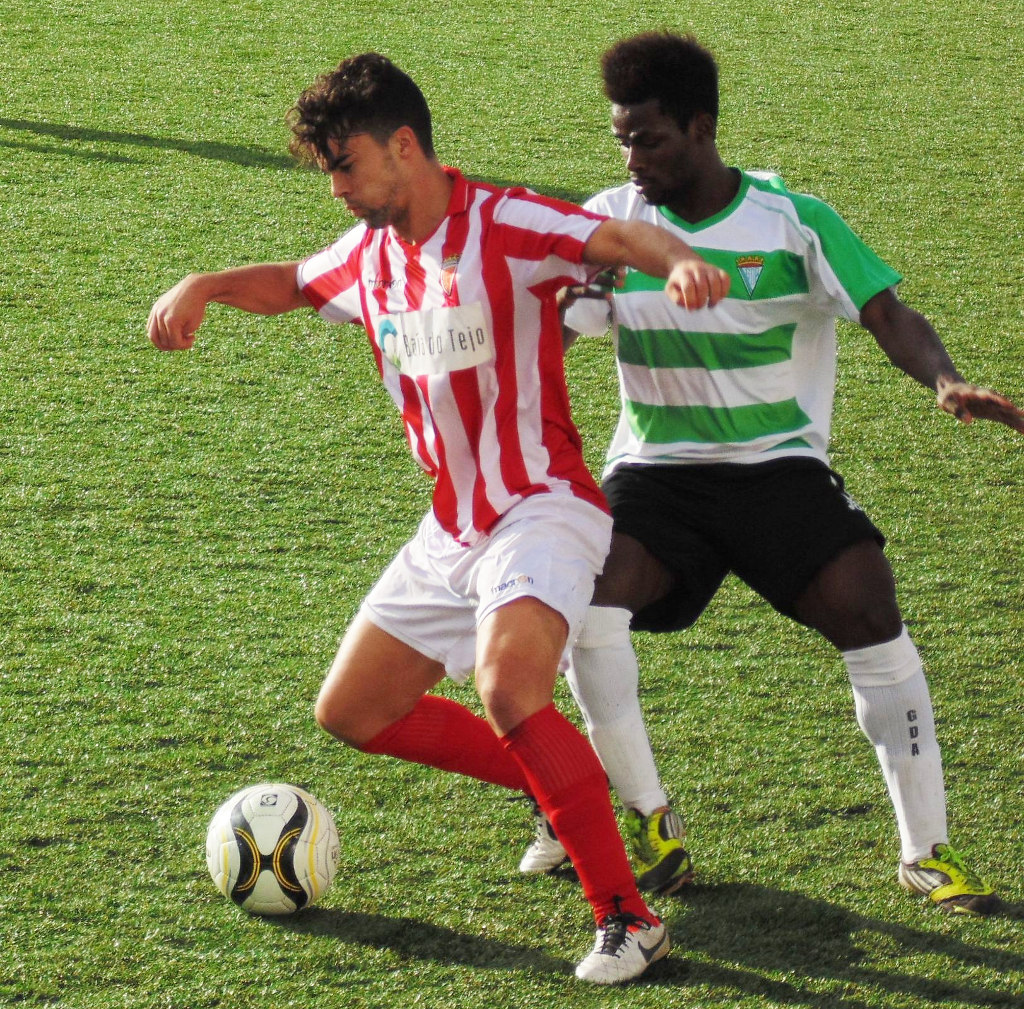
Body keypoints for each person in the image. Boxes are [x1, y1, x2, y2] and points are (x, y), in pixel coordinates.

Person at [148, 53, 731, 983]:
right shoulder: (369, 253)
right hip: (452, 527)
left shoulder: (506, 222)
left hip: (543, 508)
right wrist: (207, 284)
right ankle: (556, 797)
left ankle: (628, 917)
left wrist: (685, 260)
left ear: (404, 146)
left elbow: (614, 239)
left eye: (345, 164)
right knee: (352, 710)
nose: (336, 187)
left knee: (510, 689)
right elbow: (295, 282)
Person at [519, 31, 1023, 915]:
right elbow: (552, 334)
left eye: (649, 140)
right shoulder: (612, 227)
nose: (632, 160)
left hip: (777, 469)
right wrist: (537, 338)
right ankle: (649, 819)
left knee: (871, 610)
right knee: (585, 606)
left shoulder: (793, 221)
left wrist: (944, 380)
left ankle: (925, 850)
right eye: (622, 140)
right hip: (657, 471)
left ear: (701, 128)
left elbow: (887, 313)